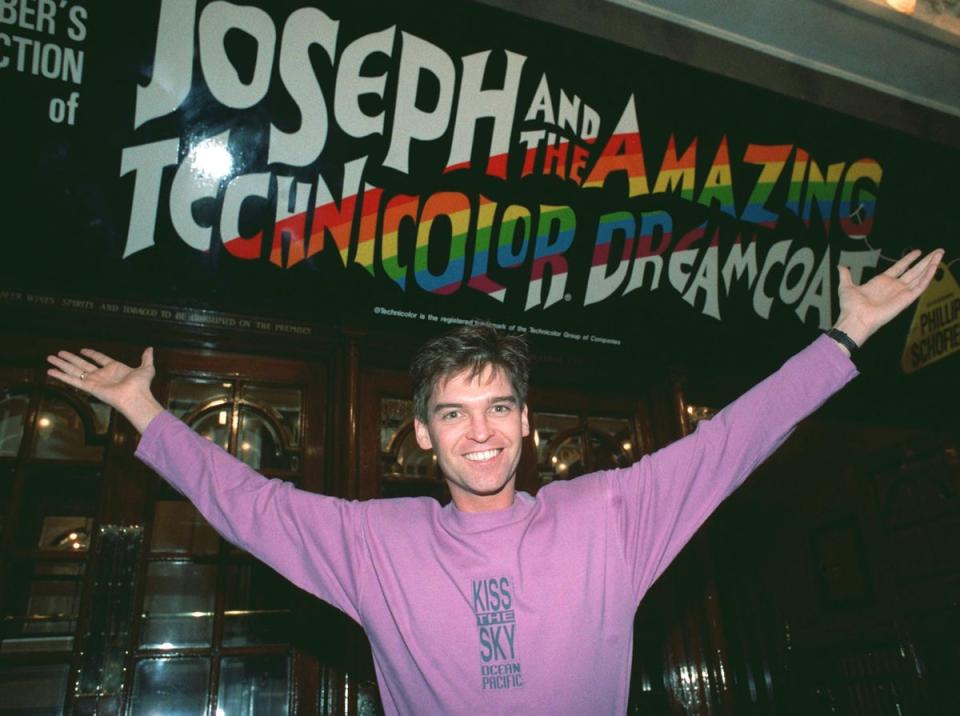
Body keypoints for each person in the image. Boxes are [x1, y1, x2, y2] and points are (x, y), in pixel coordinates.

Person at [48, 249, 943, 714]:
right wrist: (144, 411)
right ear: (424, 437)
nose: (479, 432)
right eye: (453, 413)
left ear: (526, 422)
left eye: (498, 407)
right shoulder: (375, 542)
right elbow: (249, 507)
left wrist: (844, 337)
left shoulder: (610, 514)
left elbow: (733, 441)